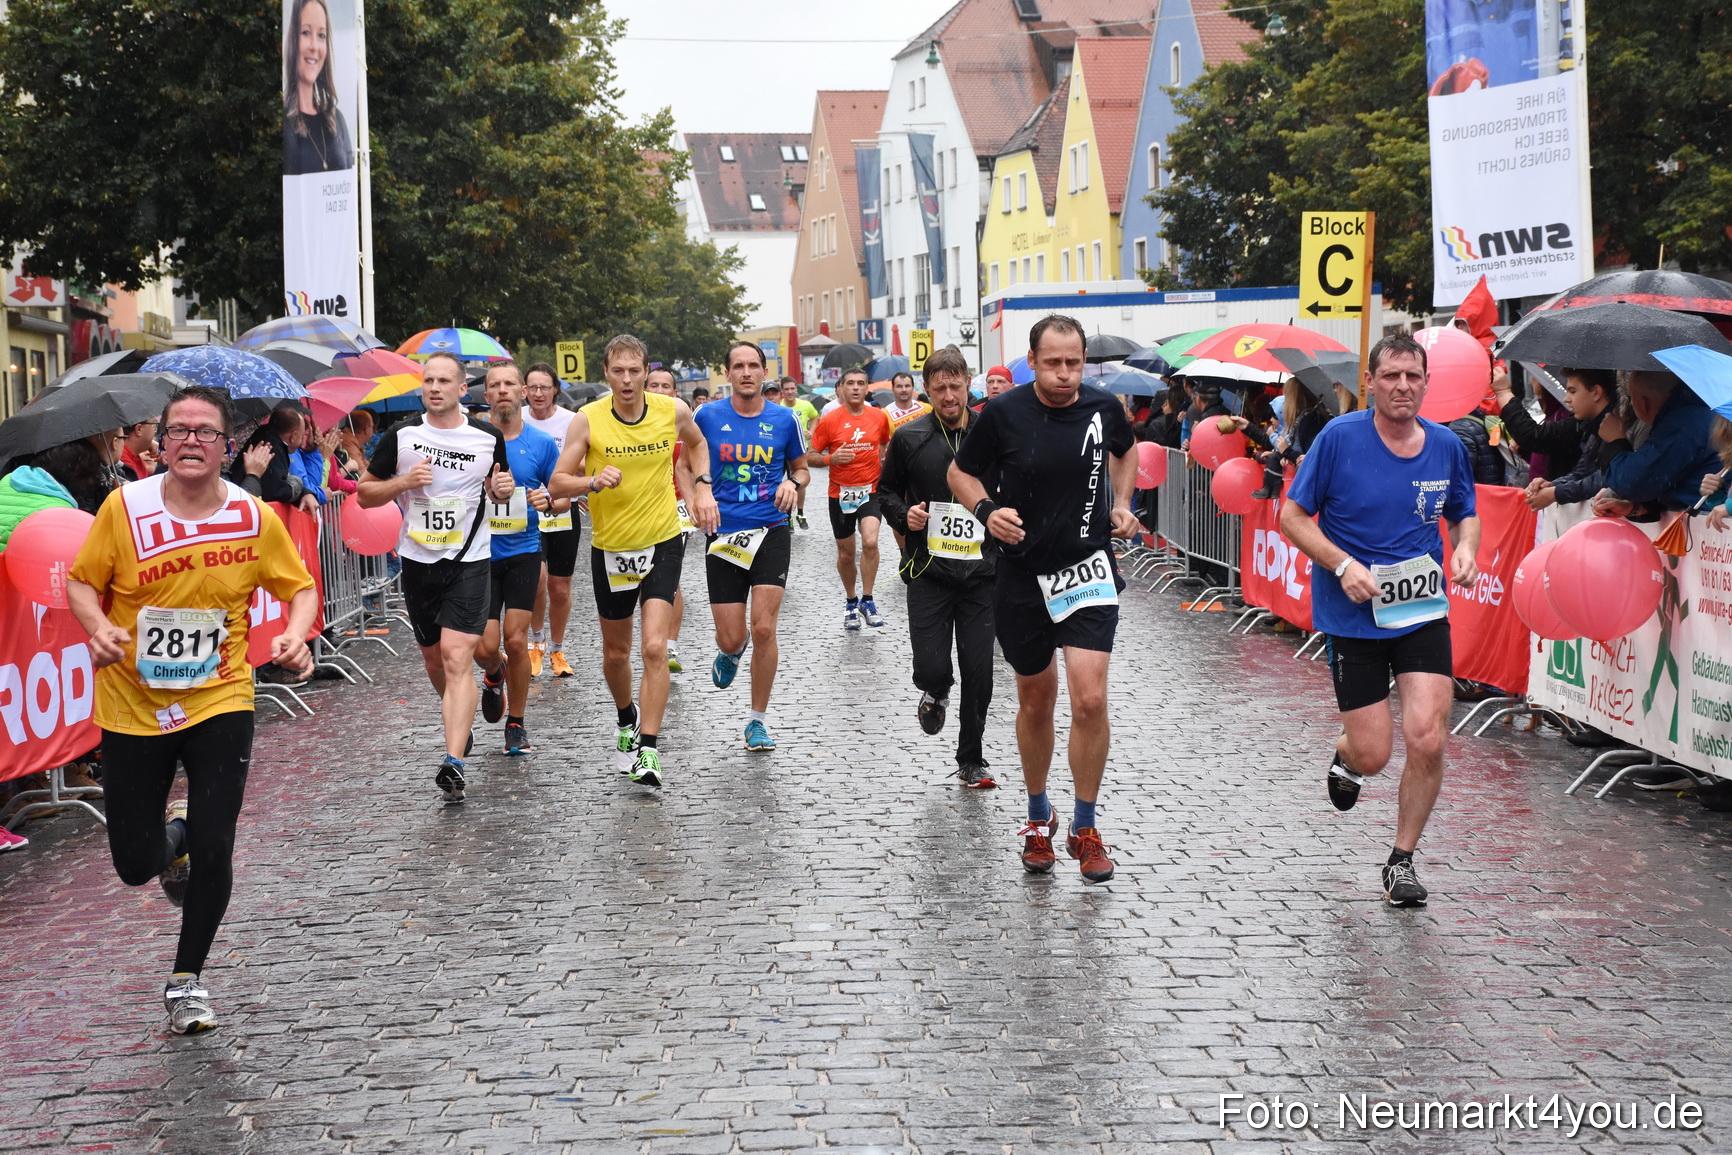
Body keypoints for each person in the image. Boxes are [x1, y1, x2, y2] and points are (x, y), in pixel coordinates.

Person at [67, 383, 318, 1034]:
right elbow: (79, 581)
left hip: (220, 694)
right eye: (178, 430)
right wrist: (96, 627)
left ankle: (186, 981)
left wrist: (294, 633)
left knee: (217, 840)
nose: (190, 442)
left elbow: (299, 589)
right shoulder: (124, 509)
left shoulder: (251, 516)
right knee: (134, 863)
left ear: (226, 445)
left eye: (206, 432)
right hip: (131, 703)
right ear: (160, 441)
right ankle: (168, 840)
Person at [1279, 332, 1481, 909]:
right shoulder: (1339, 439)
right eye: (1391, 376)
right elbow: (1291, 516)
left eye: (1413, 377)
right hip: (1354, 618)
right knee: (1375, 753)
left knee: (1428, 737)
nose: (1402, 387)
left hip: (1421, 614)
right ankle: (1348, 756)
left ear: (1426, 383)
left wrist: (1466, 549)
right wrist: (1342, 565)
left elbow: (1466, 515)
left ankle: (1402, 860)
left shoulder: (1446, 447)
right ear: (1371, 382)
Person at [948, 315, 1138, 884]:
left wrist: (1122, 502)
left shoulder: (1104, 409)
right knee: (1035, 700)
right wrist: (987, 512)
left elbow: (1128, 452)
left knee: (1089, 699)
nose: (1063, 374)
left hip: (1086, 570)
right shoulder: (1004, 414)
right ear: (1032, 361)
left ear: (1085, 362)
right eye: (1052, 363)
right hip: (1022, 575)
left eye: (1073, 363)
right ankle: (1037, 817)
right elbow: (961, 473)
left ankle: (1085, 827)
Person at [548, 335, 718, 789]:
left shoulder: (673, 410)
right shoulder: (588, 421)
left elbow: (698, 445)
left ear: (646, 372)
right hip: (612, 548)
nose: (626, 379)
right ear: (606, 373)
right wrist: (591, 481)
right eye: (618, 371)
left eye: (634, 370)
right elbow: (558, 483)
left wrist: (701, 485)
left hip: (663, 539)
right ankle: (626, 717)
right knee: (616, 654)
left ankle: (648, 749)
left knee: (654, 648)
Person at [357, 352, 515, 803]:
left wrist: (500, 490)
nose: (435, 387)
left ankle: (454, 761)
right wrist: (402, 484)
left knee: (455, 655)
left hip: (469, 559)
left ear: (462, 389)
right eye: (428, 380)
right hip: (418, 561)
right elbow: (366, 494)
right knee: (433, 660)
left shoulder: (486, 436)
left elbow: (499, 489)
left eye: (445, 380)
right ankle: (459, 718)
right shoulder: (403, 435)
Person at [878, 345, 997, 788]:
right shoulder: (910, 438)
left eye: (956, 385)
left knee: (980, 670)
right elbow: (885, 492)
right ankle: (936, 689)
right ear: (926, 390)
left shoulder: (992, 433)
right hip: (929, 572)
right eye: (940, 387)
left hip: (983, 574)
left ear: (968, 382)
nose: (949, 395)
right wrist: (903, 515)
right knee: (931, 666)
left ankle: (971, 758)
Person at [692, 343, 810, 751]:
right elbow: (684, 460)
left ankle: (757, 720)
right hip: (723, 533)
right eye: (738, 366)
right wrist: (697, 495)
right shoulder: (706, 416)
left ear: (764, 372)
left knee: (764, 627)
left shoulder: (785, 419)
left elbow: (802, 468)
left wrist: (791, 483)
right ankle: (731, 651)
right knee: (731, 638)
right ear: (727, 373)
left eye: (753, 366)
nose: (746, 372)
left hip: (772, 529)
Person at [473, 363, 564, 756]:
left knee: (516, 637)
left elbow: (562, 495)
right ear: (486, 395)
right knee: (484, 646)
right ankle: (495, 675)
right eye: (495, 385)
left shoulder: (541, 443)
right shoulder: (470, 439)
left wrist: (548, 500)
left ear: (523, 392)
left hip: (524, 551)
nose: (503, 390)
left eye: (510, 384)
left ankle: (517, 724)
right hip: (478, 555)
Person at [808, 367, 893, 629]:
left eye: (861, 383)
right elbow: (809, 456)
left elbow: (885, 444)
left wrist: (885, 462)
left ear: (867, 388)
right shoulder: (830, 420)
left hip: (871, 491)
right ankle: (851, 601)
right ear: (841, 388)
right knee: (846, 554)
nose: (856, 388)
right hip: (840, 493)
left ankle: (868, 599)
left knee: (870, 542)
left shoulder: (879, 417)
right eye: (850, 383)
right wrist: (829, 459)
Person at [1591, 370, 1723, 518]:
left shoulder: (1684, 422)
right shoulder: (1696, 412)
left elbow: (1634, 483)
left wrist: (1615, 441)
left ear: (1643, 403)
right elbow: (1674, 481)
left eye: (1631, 398)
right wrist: (1635, 508)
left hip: (1710, 528)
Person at [521, 362, 580, 678]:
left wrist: (578, 479)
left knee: (559, 587)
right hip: (527, 511)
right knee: (536, 579)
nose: (538, 393)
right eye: (532, 387)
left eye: (545, 387)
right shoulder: (517, 421)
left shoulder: (571, 421)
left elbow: (587, 458)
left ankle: (557, 649)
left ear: (555, 389)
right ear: (524, 391)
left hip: (562, 509)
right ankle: (536, 643)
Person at [1494, 366, 1614, 511]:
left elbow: (1608, 477)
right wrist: (1553, 485)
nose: (1567, 398)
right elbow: (1582, 471)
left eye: (1573, 391)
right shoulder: (1591, 424)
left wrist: (1556, 492)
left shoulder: (1608, 426)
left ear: (1596, 393)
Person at [645, 367, 692, 672]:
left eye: (666, 386)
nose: (661, 391)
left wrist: (697, 497)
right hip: (639, 511)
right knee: (642, 579)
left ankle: (669, 647)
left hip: (675, 510)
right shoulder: (630, 424)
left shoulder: (683, 426)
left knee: (669, 579)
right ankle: (652, 639)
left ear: (675, 393)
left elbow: (698, 459)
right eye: (654, 386)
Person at [282, 0, 354, 176]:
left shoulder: (337, 120)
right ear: (292, 39)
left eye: (321, 35)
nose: (314, 46)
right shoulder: (282, 123)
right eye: (306, 32)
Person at [777, 377, 820, 530]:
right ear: (781, 391)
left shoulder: (806, 405)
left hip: (800, 450)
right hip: (781, 450)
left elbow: (815, 417)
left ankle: (800, 512)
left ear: (796, 389)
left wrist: (811, 432)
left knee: (799, 481)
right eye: (786, 389)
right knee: (782, 482)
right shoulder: (779, 406)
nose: (789, 392)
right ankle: (786, 515)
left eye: (792, 388)